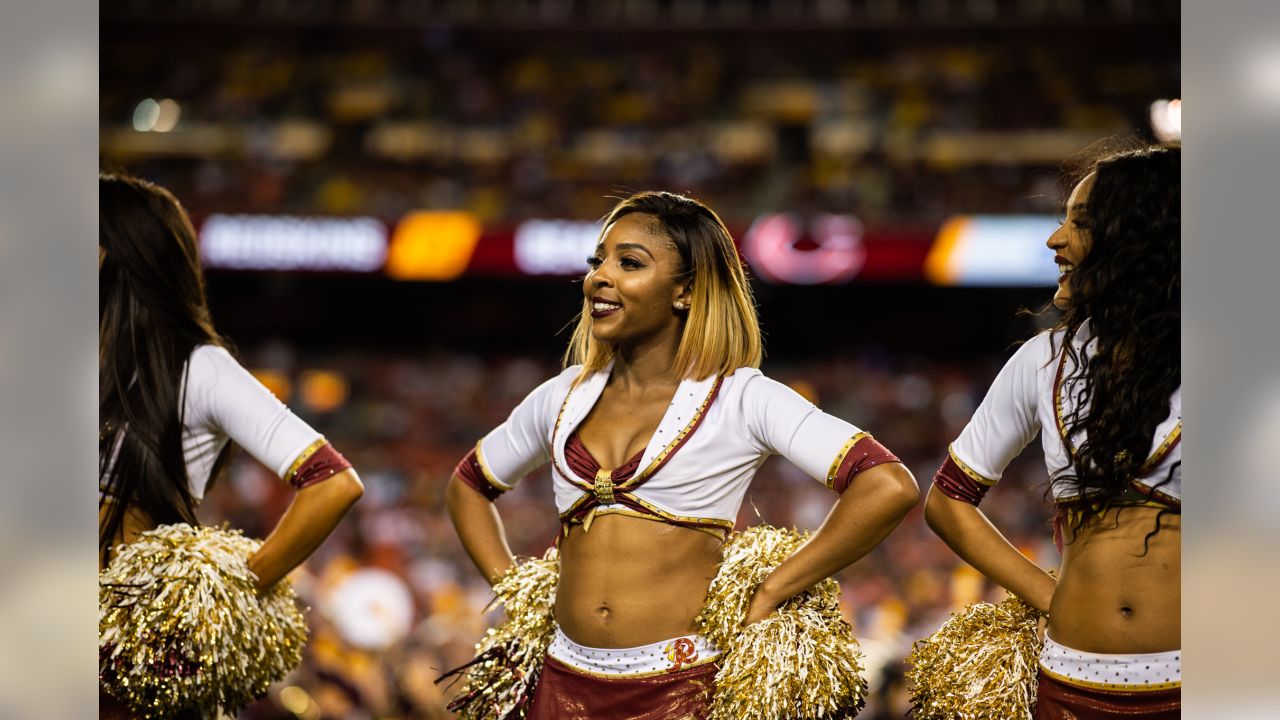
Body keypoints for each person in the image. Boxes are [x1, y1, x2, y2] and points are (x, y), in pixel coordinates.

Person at [445, 190, 919, 719]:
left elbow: (886, 484)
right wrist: (517, 593)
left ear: (685, 292)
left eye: (629, 263)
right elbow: (468, 484)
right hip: (560, 682)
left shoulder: (742, 397)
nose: (600, 276)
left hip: (682, 689)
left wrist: (774, 589)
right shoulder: (560, 396)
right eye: (597, 260)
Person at [923, 145, 1180, 718]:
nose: (1054, 240)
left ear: (1143, 238)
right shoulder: (1044, 361)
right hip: (1070, 681)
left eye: (1081, 223)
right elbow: (947, 502)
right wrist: (1048, 594)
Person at [99, 174, 365, 716]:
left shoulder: (199, 369)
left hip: (123, 655)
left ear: (120, 253)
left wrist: (228, 595)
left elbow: (333, 484)